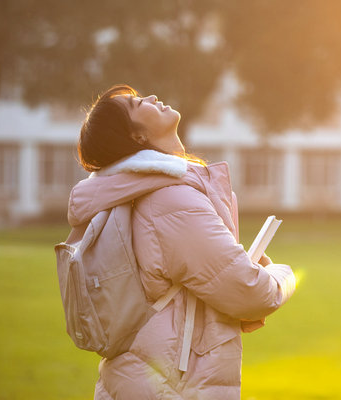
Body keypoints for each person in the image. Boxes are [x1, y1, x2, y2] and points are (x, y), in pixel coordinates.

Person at [68, 84, 296, 400]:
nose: (149, 97)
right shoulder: (171, 200)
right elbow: (250, 292)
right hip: (173, 387)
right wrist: (282, 275)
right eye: (136, 105)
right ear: (137, 137)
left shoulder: (145, 194)